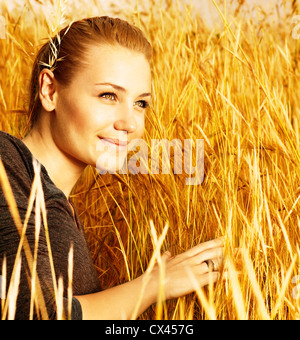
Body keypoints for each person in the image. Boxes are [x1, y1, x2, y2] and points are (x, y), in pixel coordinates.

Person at [0, 16, 224, 320]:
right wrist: (155, 283)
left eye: (140, 103)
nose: (130, 123)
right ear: (50, 90)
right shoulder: (5, 159)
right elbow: (35, 312)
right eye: (108, 96)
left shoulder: (58, 208)